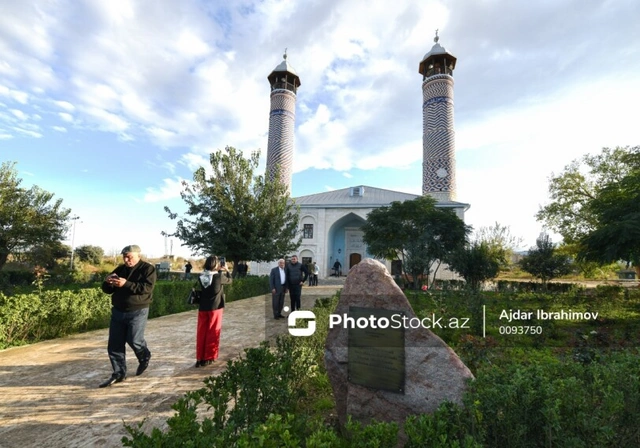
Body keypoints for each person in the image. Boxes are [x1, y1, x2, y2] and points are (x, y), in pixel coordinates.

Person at [99, 245, 157, 388]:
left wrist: (126, 284)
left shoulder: (148, 269)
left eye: (129, 257)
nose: (126, 260)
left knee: (134, 339)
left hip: (138, 310)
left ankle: (144, 356)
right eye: (124, 256)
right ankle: (119, 373)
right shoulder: (120, 269)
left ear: (138, 255)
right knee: (115, 343)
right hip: (118, 311)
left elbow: (146, 289)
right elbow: (108, 290)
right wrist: (107, 282)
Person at [195, 255, 231, 367]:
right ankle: (209, 357)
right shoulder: (218, 277)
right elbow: (230, 281)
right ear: (216, 264)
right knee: (213, 332)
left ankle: (200, 358)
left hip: (203, 307)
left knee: (201, 333)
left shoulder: (201, 276)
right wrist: (227, 271)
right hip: (215, 307)